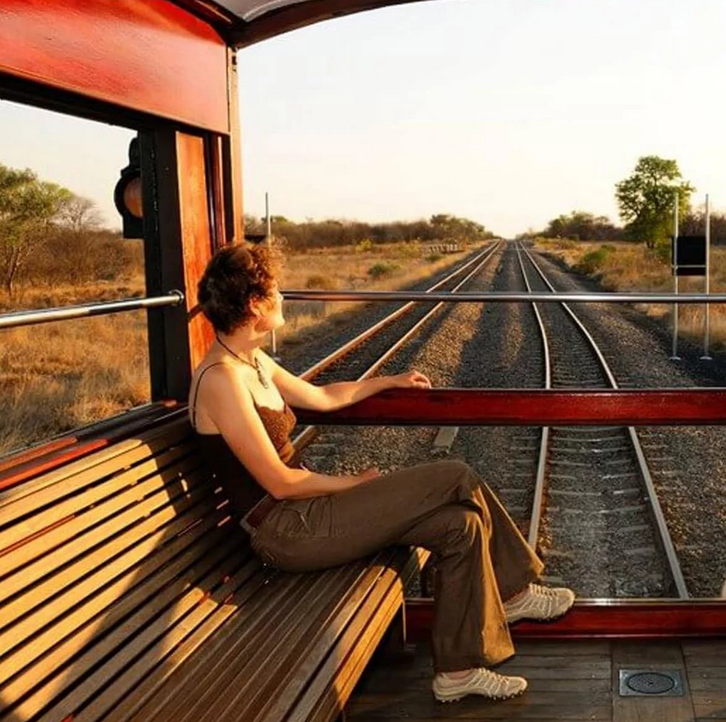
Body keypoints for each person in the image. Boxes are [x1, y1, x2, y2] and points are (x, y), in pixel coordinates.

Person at [187, 241, 574, 703]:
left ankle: (458, 670)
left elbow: (326, 397)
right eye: (276, 291)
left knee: (461, 526)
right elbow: (279, 482)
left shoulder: (252, 362)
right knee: (455, 475)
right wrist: (354, 483)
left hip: (307, 514)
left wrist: (387, 381)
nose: (283, 298)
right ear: (254, 304)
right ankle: (513, 591)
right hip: (286, 529)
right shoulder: (220, 380)